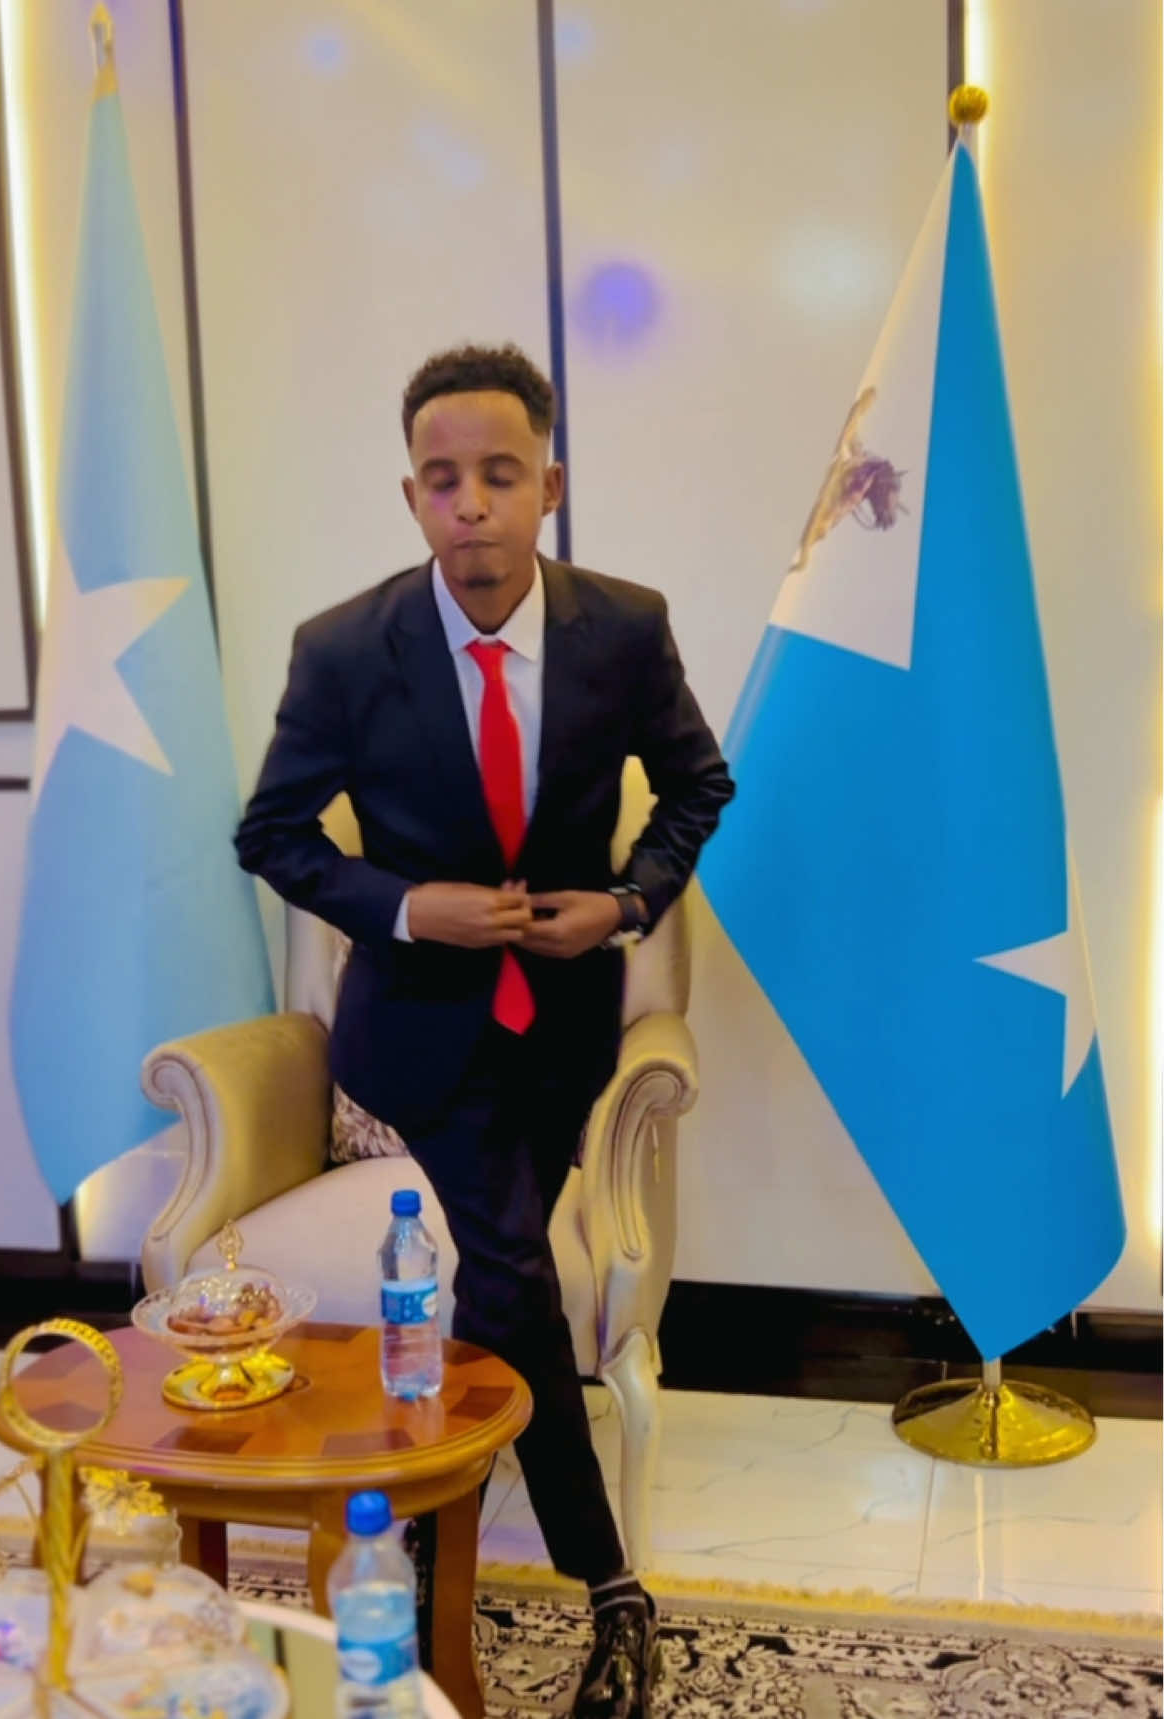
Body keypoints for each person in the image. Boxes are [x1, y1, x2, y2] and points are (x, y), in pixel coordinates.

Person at [235, 343, 734, 1717]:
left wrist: (625, 904)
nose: (472, 503)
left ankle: (428, 1506)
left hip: (562, 1034)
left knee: (495, 1289)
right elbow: (271, 836)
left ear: (547, 487)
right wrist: (409, 909)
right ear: (413, 496)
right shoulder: (344, 650)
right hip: (419, 1040)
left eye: (500, 475)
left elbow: (699, 785)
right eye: (442, 479)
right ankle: (612, 1587)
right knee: (512, 1269)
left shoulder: (624, 628)